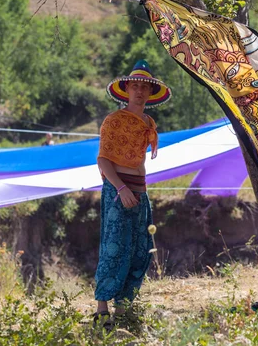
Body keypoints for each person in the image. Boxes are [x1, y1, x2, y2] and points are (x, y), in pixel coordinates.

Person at [93, 59, 172, 328]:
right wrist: (121, 188)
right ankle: (101, 308)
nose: (139, 91)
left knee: (140, 250)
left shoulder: (149, 121)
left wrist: (135, 190)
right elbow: (103, 160)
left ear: (150, 93)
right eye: (135, 86)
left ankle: (123, 307)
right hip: (118, 190)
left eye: (144, 87)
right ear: (126, 90)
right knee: (114, 247)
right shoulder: (114, 121)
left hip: (140, 191)